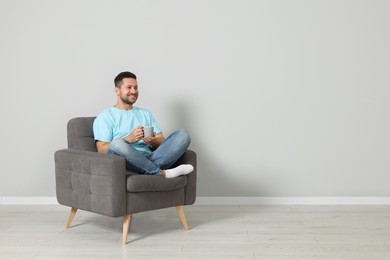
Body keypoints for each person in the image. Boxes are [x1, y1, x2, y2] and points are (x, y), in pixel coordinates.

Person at [93, 71, 194, 178]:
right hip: (126, 161)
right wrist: (129, 139)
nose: (134, 91)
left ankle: (146, 168)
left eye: (136, 87)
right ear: (117, 91)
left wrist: (153, 141)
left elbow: (162, 142)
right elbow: (102, 149)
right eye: (129, 87)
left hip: (153, 157)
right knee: (117, 143)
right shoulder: (105, 117)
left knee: (183, 135)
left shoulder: (145, 113)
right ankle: (162, 173)